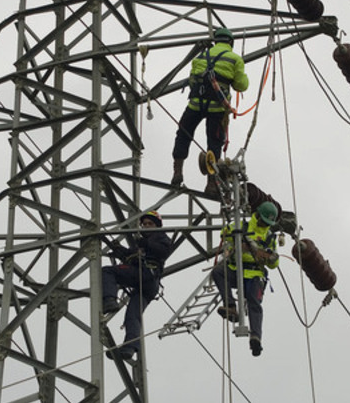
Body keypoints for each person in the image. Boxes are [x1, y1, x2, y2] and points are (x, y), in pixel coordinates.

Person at [171, 27, 249, 195]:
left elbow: (193, 79)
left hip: (195, 104)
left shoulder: (200, 58)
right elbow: (241, 85)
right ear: (230, 43)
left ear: (216, 41)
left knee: (183, 134)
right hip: (217, 107)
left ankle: (177, 171)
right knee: (214, 143)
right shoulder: (235, 59)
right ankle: (211, 183)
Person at [212, 201, 280, 357]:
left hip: (254, 274)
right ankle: (230, 306)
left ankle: (256, 337)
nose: (264, 224)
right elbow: (224, 233)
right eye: (263, 220)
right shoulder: (242, 226)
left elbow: (275, 263)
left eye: (268, 222)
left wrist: (266, 256)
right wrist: (237, 243)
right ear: (257, 215)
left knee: (253, 302)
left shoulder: (269, 236)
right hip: (236, 269)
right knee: (218, 272)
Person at [102, 211, 173, 360]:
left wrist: (146, 243)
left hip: (146, 274)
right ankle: (130, 348)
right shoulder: (141, 244)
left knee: (107, 272)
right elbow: (130, 256)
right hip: (147, 284)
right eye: (144, 224)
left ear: (157, 225)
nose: (146, 226)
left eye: (150, 224)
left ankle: (109, 299)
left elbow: (164, 251)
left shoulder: (161, 237)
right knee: (132, 316)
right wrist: (118, 249)